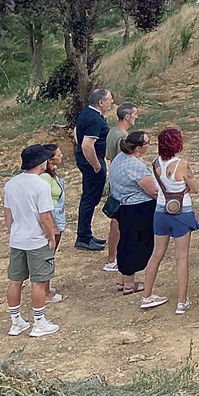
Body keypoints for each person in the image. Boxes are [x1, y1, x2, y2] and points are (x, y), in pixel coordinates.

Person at [139, 128, 199, 313]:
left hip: (160, 211)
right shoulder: (182, 164)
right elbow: (195, 187)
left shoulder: (155, 163)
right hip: (181, 212)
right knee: (181, 257)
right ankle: (182, 301)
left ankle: (147, 295)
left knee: (156, 254)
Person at [5, 144, 61, 337]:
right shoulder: (40, 185)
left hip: (17, 238)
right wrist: (51, 236)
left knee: (15, 280)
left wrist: (13, 232)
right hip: (36, 240)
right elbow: (45, 216)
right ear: (40, 162)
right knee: (38, 281)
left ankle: (16, 321)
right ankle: (39, 322)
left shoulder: (11, 184)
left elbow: (8, 214)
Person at [108, 131, 158, 296]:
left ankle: (124, 280)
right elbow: (153, 190)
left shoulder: (119, 158)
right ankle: (129, 284)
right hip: (138, 209)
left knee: (126, 242)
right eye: (147, 142)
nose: (149, 145)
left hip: (123, 207)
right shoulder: (135, 166)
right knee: (137, 245)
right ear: (138, 148)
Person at [74, 88, 114, 251]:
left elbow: (76, 132)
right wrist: (96, 165)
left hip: (86, 160)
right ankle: (83, 237)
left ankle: (86, 234)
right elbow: (87, 145)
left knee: (89, 198)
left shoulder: (87, 114)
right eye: (110, 99)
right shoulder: (95, 120)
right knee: (90, 199)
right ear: (101, 102)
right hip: (92, 162)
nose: (112, 101)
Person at [101, 102, 136, 269]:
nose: (136, 117)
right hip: (121, 181)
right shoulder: (122, 136)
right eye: (135, 114)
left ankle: (113, 256)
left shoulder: (112, 132)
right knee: (118, 220)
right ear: (128, 116)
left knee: (117, 219)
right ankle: (112, 258)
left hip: (113, 177)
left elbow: (108, 155)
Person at [39, 146, 66, 303]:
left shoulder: (50, 175)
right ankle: (45, 291)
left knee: (51, 254)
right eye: (58, 154)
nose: (61, 155)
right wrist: (54, 225)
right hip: (53, 218)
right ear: (49, 159)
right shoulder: (44, 179)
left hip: (57, 216)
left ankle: (46, 287)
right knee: (48, 255)